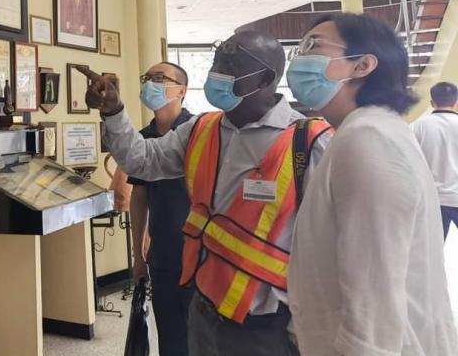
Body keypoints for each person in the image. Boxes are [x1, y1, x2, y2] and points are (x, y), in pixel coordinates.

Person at [79, 30, 332, 356]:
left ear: (266, 78)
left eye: (230, 64)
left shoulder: (309, 144)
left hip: (266, 322)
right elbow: (142, 161)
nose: (217, 73)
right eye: (217, 63)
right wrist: (113, 112)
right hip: (202, 304)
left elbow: (333, 247)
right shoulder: (202, 129)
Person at [285, 13, 458, 356]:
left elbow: (373, 295)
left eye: (313, 46)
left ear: (362, 65)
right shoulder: (362, 131)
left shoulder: (368, 139)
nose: (299, 59)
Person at [128, 60, 193, 356]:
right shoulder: (143, 139)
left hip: (199, 252)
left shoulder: (199, 131)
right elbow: (139, 197)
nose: (150, 83)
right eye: (147, 77)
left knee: (201, 334)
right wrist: (138, 255)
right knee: (169, 334)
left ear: (181, 90)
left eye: (159, 78)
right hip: (163, 253)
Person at [412, 82, 458, 240]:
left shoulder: (417, 127)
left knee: (433, 251)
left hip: (431, 199)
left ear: (432, 102)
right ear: (456, 102)